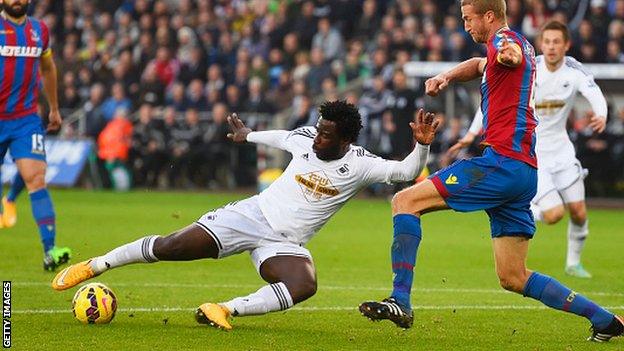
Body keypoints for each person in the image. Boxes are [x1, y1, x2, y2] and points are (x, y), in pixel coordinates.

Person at [359, 0, 623, 342]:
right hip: (524, 173)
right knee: (513, 277)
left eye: (469, 19)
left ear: (489, 16)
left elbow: (504, 51)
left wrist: (506, 54)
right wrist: (445, 76)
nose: (465, 25)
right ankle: (606, 320)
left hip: (500, 164)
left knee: (405, 202)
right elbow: (480, 64)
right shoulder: (515, 48)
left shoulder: (506, 42)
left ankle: (400, 300)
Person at [51, 101, 441, 331]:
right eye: (318, 130)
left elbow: (406, 173)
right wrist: (248, 136)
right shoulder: (305, 139)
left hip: (285, 243)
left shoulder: (361, 165)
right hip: (251, 216)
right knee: (171, 246)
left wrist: (421, 148)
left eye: (326, 135)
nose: (317, 137)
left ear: (346, 140)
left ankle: (224, 309)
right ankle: (96, 264)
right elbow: (282, 136)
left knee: (304, 284)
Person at [447, 20, 608, 278]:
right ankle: (520, 209)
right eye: (548, 42)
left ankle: (573, 263)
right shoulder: (530, 67)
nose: (552, 47)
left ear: (566, 45)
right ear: (541, 44)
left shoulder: (573, 70)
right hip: (534, 154)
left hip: (564, 153)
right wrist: (471, 134)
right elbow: (493, 99)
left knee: (578, 212)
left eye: (557, 42)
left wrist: (601, 114)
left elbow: (595, 93)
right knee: (555, 214)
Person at [0, 0, 71, 271]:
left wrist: (54, 108)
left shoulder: (40, 30)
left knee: (36, 178)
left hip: (25, 120)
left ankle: (50, 251)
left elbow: (48, 68)